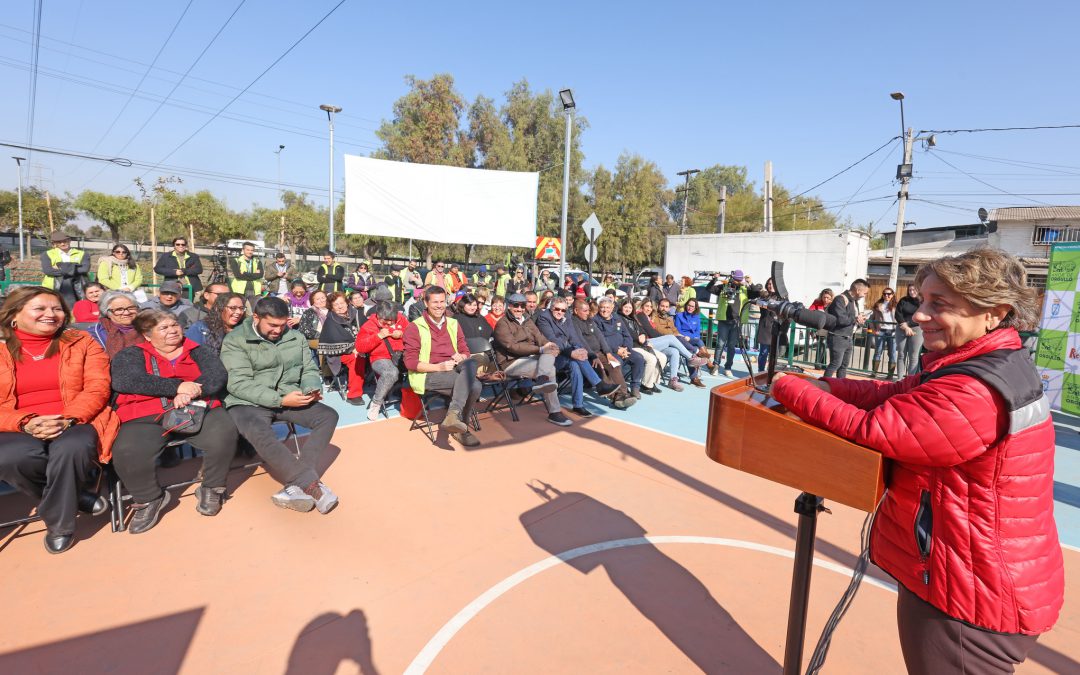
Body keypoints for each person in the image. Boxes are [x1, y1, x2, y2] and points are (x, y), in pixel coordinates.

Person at [771, 249, 1064, 674]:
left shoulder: (973, 390)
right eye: (922, 300)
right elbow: (889, 397)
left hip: (970, 589)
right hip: (970, 571)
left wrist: (790, 389)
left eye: (939, 304)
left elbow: (878, 429)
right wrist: (821, 385)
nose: (921, 314)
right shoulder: (981, 364)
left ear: (995, 314)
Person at [0, 286, 118, 554]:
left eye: (56, 309)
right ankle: (76, 498)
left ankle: (60, 526)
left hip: (76, 417)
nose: (50, 315)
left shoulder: (81, 342)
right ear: (14, 315)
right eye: (40, 309)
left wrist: (68, 418)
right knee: (11, 458)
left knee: (73, 448)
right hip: (15, 423)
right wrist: (26, 422)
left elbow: (98, 386)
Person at [109, 311, 239, 532]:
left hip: (196, 407)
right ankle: (150, 498)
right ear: (147, 335)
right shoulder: (131, 354)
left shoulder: (198, 350)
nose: (172, 331)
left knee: (224, 432)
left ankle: (212, 487)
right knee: (127, 450)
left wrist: (190, 392)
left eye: (174, 325)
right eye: (164, 328)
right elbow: (126, 380)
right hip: (146, 414)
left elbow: (216, 376)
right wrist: (176, 387)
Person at [221, 296, 340, 514]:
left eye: (283, 324)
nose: (278, 330)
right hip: (247, 403)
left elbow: (309, 369)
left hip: (288, 397)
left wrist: (311, 388)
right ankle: (311, 485)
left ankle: (296, 486)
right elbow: (238, 384)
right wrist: (280, 400)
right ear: (255, 317)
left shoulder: (295, 337)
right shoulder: (235, 340)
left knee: (328, 416)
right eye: (272, 325)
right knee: (258, 430)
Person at [403, 286, 483, 447]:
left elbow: (464, 349)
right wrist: (439, 367)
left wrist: (462, 356)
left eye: (442, 302)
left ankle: (453, 417)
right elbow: (410, 362)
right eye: (435, 302)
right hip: (428, 373)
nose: (439, 306)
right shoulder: (415, 327)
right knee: (474, 386)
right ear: (425, 303)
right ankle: (460, 427)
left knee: (471, 361)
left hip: (454, 369)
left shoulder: (453, 323)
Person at [492, 293, 571, 426]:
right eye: (515, 305)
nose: (519, 309)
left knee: (549, 351)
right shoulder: (502, 324)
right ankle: (554, 412)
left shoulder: (527, 320)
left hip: (529, 357)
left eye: (522, 305)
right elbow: (513, 347)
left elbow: (539, 337)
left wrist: (550, 345)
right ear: (508, 306)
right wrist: (540, 349)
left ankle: (541, 379)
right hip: (510, 362)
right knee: (550, 370)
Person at [535, 297, 617, 417]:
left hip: (567, 355)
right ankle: (598, 385)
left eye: (563, 310)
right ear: (551, 308)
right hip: (551, 357)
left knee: (575, 364)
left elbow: (574, 337)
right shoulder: (544, 318)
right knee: (575, 358)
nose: (560, 312)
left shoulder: (566, 317)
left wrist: (581, 349)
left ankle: (578, 405)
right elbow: (553, 339)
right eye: (557, 309)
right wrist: (573, 352)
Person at [571, 298, 636, 409]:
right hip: (587, 354)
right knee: (601, 371)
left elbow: (600, 337)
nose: (588, 313)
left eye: (588, 310)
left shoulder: (589, 320)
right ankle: (616, 398)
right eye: (585, 311)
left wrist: (608, 353)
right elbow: (581, 341)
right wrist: (593, 356)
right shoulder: (573, 322)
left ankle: (624, 394)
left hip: (600, 352)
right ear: (576, 311)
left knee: (615, 365)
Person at [635, 298, 706, 391]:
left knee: (674, 351)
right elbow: (651, 332)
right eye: (646, 306)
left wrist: (671, 337)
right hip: (646, 344)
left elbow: (674, 331)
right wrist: (666, 338)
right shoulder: (641, 315)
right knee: (671, 338)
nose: (649, 309)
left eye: (650, 307)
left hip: (655, 343)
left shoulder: (653, 317)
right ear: (642, 306)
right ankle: (691, 357)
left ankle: (673, 380)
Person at [355, 301, 407, 421]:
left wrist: (402, 334)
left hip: (402, 354)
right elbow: (360, 347)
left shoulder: (402, 320)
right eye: (386, 320)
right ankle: (376, 403)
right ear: (378, 315)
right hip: (380, 357)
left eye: (392, 320)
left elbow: (414, 334)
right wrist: (378, 336)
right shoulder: (368, 326)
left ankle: (415, 397)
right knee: (391, 373)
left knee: (420, 363)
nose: (389, 323)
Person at [593, 296, 646, 398]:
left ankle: (635, 387)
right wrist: (617, 350)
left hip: (624, 350)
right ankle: (617, 393)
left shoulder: (617, 318)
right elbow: (601, 340)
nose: (605, 310)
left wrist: (626, 348)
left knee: (639, 359)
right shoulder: (595, 321)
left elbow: (627, 335)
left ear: (612, 308)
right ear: (599, 308)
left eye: (608, 307)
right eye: (602, 307)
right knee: (617, 363)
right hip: (608, 352)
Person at [320, 292, 363, 404]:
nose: (340, 306)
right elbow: (333, 341)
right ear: (331, 307)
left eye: (342, 303)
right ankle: (354, 394)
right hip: (338, 354)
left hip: (359, 347)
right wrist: (352, 348)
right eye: (336, 304)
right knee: (356, 358)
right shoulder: (331, 320)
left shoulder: (355, 313)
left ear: (347, 303)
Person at [705, 270, 748, 378]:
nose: (737, 282)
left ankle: (728, 368)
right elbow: (709, 288)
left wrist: (749, 283)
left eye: (739, 280)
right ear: (732, 278)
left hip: (736, 322)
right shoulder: (724, 286)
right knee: (720, 344)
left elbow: (757, 292)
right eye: (736, 279)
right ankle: (715, 366)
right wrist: (714, 279)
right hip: (724, 321)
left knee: (731, 346)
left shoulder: (744, 289)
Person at [823, 278, 869, 378]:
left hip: (848, 337)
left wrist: (859, 320)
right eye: (865, 293)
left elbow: (851, 318)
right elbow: (841, 319)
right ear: (858, 290)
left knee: (843, 366)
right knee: (835, 364)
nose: (864, 295)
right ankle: (822, 385)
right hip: (837, 337)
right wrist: (856, 318)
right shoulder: (840, 299)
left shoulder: (854, 301)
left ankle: (841, 388)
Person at [618, 298, 664, 394]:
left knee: (662, 357)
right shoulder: (619, 318)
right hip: (632, 346)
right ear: (621, 307)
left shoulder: (632, 318)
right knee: (651, 359)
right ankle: (645, 385)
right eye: (625, 307)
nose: (627, 309)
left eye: (630, 307)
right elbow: (628, 332)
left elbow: (641, 328)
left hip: (641, 344)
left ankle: (651, 382)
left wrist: (643, 334)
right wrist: (638, 337)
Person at [88, 290, 146, 358]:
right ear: (107, 313)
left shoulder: (148, 327)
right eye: (119, 310)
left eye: (131, 308)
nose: (127, 313)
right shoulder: (96, 333)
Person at [40, 231, 90, 307]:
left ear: (69, 240)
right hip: (53, 288)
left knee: (80, 309)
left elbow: (84, 269)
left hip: (78, 287)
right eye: (59, 242)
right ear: (55, 243)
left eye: (65, 241)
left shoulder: (83, 254)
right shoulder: (47, 254)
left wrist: (60, 267)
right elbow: (48, 271)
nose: (63, 244)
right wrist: (75, 267)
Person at [674, 298, 713, 387]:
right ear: (686, 305)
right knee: (692, 350)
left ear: (695, 308)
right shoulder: (679, 315)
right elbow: (677, 330)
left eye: (692, 306)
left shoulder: (697, 317)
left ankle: (696, 376)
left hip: (693, 339)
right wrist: (685, 337)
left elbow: (697, 332)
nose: (690, 308)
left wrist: (690, 337)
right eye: (689, 305)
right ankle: (707, 365)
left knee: (698, 341)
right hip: (682, 339)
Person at [755, 278, 788, 373]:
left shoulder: (782, 297)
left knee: (774, 354)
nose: (771, 286)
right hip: (765, 328)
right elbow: (761, 302)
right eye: (769, 284)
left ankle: (770, 372)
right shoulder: (764, 295)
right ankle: (760, 372)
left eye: (773, 284)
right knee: (763, 353)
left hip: (776, 327)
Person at [895, 283, 923, 377]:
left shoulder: (922, 301)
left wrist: (909, 324)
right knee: (901, 354)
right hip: (902, 327)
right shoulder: (903, 300)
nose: (912, 292)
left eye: (914, 290)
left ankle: (910, 379)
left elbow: (921, 316)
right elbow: (898, 314)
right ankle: (899, 378)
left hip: (917, 329)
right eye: (910, 290)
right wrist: (905, 326)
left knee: (913, 356)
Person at [871, 287, 898, 378]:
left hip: (892, 332)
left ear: (892, 295)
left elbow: (900, 319)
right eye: (884, 294)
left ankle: (890, 375)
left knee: (892, 353)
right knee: (878, 351)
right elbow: (871, 319)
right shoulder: (878, 305)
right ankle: (874, 372)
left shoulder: (896, 305)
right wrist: (874, 330)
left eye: (889, 294)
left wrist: (897, 331)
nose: (886, 295)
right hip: (880, 331)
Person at [228, 241, 263, 306]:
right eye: (248, 250)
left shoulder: (258, 261)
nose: (250, 252)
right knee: (240, 309)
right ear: (243, 250)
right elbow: (238, 275)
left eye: (252, 250)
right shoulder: (236, 261)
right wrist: (255, 275)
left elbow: (260, 275)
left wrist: (244, 273)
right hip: (239, 291)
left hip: (254, 291)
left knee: (254, 311)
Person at [808, 288, 834, 369]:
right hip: (819, 328)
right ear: (821, 297)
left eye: (828, 298)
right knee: (822, 344)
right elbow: (810, 312)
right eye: (824, 297)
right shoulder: (817, 302)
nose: (826, 300)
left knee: (823, 344)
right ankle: (820, 364)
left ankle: (820, 364)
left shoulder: (833, 304)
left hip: (829, 328)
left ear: (831, 298)